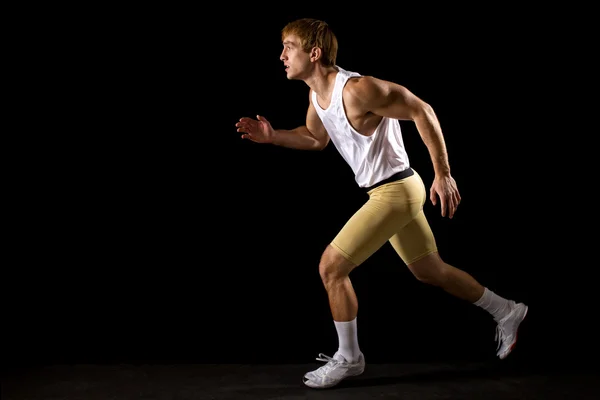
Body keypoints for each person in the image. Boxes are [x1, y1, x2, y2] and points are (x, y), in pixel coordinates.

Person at [235, 18, 528, 389]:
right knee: (430, 271)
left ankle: (350, 358)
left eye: (288, 48)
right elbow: (314, 137)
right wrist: (274, 135)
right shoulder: (316, 95)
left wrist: (444, 173)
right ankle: (507, 310)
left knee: (331, 268)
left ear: (314, 53)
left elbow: (422, 110)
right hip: (388, 192)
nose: (282, 56)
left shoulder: (358, 89)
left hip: (397, 191)